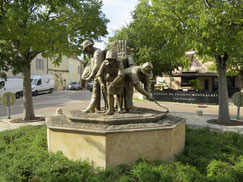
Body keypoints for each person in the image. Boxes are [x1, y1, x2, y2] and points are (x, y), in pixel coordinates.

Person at [97, 50, 124, 115]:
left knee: (119, 93)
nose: (110, 61)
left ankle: (119, 107)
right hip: (109, 79)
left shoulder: (119, 62)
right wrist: (102, 83)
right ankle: (110, 109)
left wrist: (114, 83)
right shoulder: (104, 63)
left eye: (112, 59)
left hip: (118, 78)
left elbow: (121, 74)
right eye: (109, 59)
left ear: (115, 59)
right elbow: (99, 75)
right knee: (109, 93)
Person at [81, 40, 104, 113]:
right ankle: (96, 107)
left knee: (96, 91)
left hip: (100, 75)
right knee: (96, 91)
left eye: (86, 49)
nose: (86, 51)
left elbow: (97, 65)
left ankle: (91, 107)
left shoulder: (97, 52)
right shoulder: (92, 54)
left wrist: (91, 76)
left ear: (90, 46)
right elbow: (90, 65)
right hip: (96, 75)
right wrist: (87, 74)